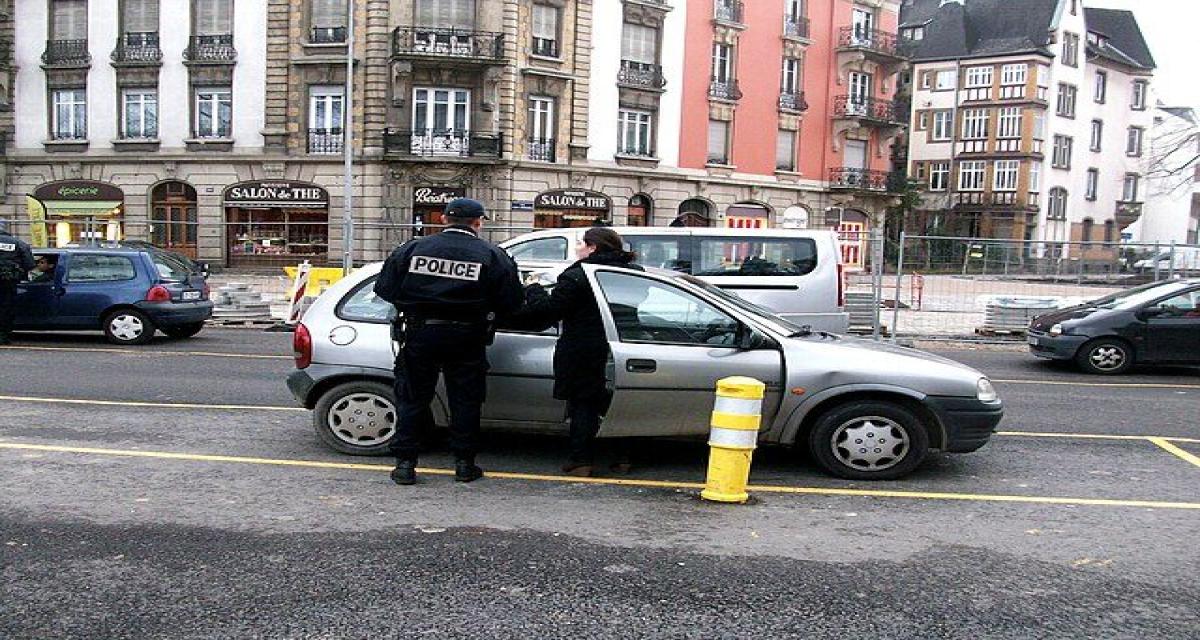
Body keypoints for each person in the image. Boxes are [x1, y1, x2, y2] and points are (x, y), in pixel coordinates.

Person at [374, 198, 523, 485]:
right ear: (478, 222)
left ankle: (405, 465)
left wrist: (417, 303)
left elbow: (385, 289)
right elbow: (512, 302)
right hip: (468, 336)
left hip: (420, 333)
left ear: (444, 219)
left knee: (413, 398)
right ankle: (464, 465)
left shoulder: (413, 248)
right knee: (465, 400)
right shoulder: (493, 254)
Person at [509, 227, 643, 477]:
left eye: (581, 243)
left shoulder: (578, 275)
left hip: (582, 347)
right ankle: (622, 457)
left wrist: (534, 287)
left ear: (593, 247)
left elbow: (548, 311)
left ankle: (581, 460)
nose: (577, 247)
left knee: (583, 404)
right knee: (616, 401)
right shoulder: (632, 272)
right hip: (622, 345)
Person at [0, 221, 36, 346]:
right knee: (6, 308)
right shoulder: (18, 243)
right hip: (8, 281)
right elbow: (30, 264)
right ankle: (3, 336)